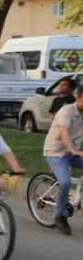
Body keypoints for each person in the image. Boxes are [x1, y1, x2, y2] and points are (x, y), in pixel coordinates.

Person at [41, 93, 83, 234]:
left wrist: (75, 151)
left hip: (74, 151)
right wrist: (73, 150)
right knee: (64, 183)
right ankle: (60, 216)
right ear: (79, 97)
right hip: (56, 153)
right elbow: (63, 133)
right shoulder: (66, 111)